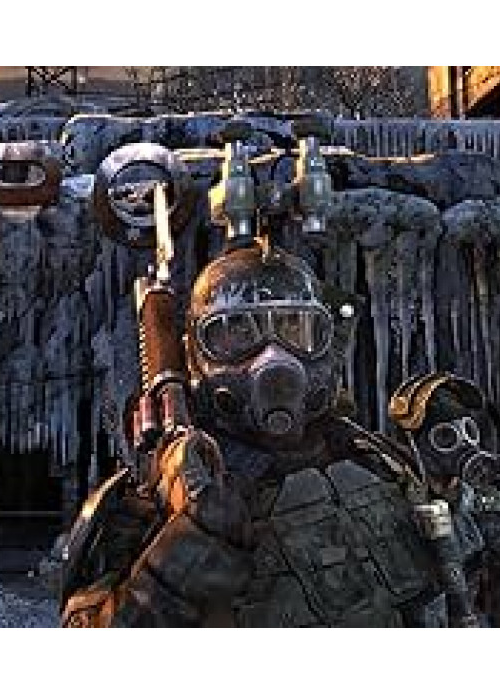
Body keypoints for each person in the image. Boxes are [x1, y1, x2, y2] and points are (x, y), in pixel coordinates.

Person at [61, 242, 465, 627]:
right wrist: (170, 571)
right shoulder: (155, 495)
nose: (274, 357)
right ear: (196, 355)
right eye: (238, 333)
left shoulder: (375, 460)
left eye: (295, 329)